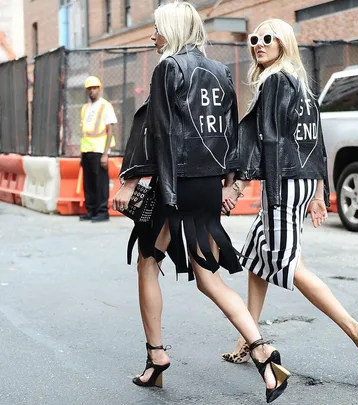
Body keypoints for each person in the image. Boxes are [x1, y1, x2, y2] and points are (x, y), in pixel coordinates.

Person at [113, 3, 289, 402]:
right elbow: (230, 130)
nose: (152, 36)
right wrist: (228, 182)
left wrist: (135, 181)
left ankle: (156, 357)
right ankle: (263, 353)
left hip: (173, 185)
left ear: (171, 29)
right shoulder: (221, 70)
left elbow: (159, 133)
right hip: (208, 184)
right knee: (209, 276)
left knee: (147, 261)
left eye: (156, 29)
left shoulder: (168, 68)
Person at [221, 18, 358, 377]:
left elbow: (267, 141)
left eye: (268, 38)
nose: (258, 44)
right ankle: (246, 339)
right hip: (296, 183)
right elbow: (314, 143)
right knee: (256, 257)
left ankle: (357, 332)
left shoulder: (276, 82)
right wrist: (316, 191)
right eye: (254, 39)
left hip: (282, 184)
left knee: (288, 263)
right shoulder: (299, 83)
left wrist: (237, 185)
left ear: (284, 43)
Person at [79, 75, 117, 222]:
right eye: (89, 89)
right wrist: (81, 154)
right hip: (86, 150)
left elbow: (110, 130)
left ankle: (102, 211)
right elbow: (84, 133)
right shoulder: (85, 108)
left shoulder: (105, 106)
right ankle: (91, 210)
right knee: (88, 182)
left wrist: (105, 154)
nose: (92, 91)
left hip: (99, 150)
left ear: (99, 89)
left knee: (100, 182)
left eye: (94, 88)